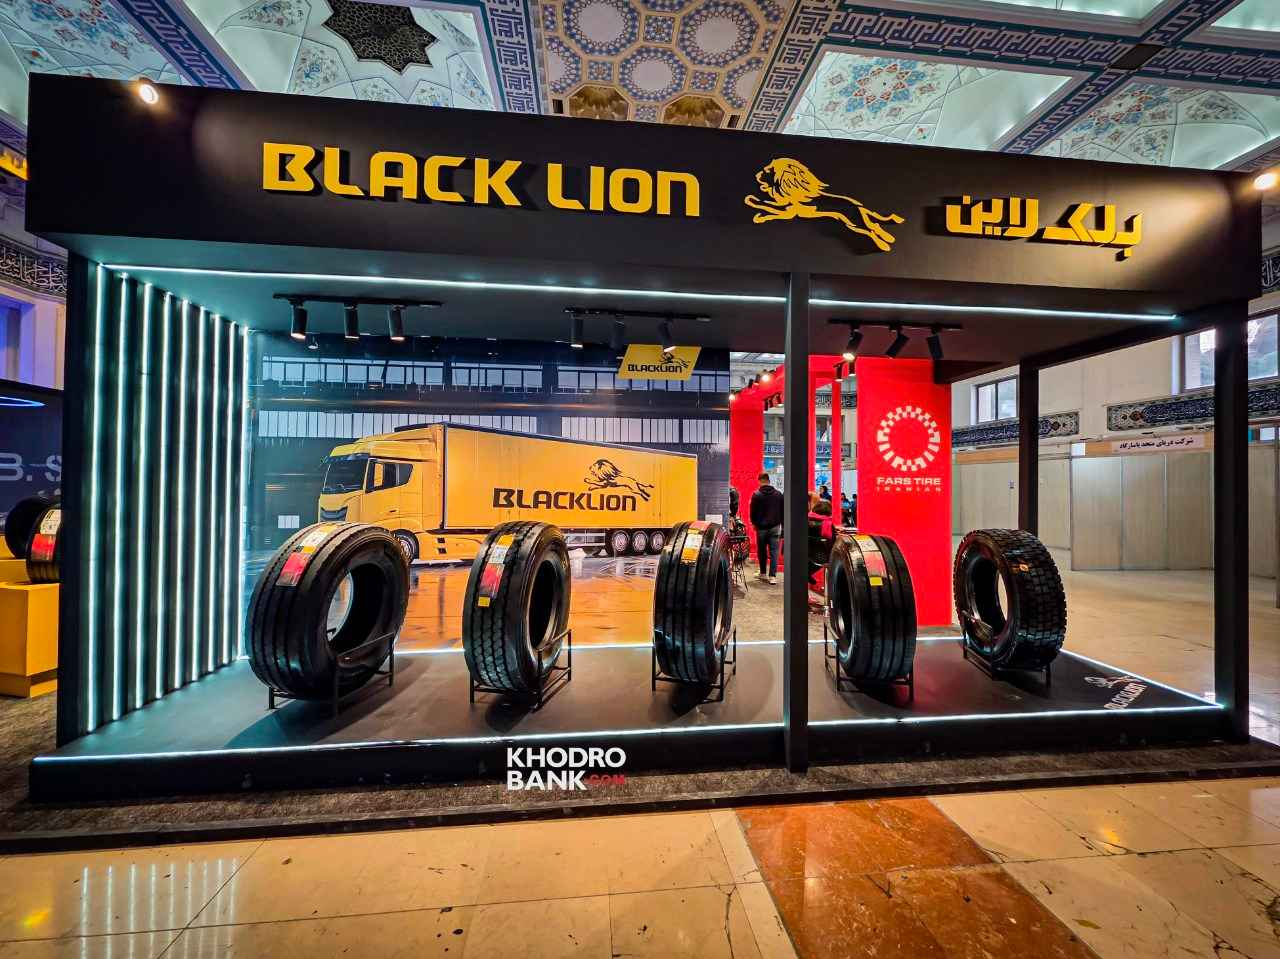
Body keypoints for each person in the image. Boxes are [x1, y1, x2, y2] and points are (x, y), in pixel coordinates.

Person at [749, 471, 783, 584]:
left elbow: (753, 512)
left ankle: (763, 573)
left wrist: (754, 523)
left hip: (761, 528)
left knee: (762, 551)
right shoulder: (778, 494)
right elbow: (783, 511)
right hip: (775, 527)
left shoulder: (756, 495)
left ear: (760, 481)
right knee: (774, 552)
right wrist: (782, 525)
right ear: (769, 480)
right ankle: (772, 576)